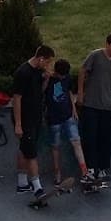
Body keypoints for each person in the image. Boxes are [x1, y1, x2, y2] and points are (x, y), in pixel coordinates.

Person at [77, 34, 111, 189]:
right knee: (90, 137)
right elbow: (82, 71)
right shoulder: (95, 55)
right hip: (91, 104)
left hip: (108, 104)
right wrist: (80, 93)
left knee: (106, 138)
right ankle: (91, 168)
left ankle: (102, 168)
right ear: (107, 44)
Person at [13, 46, 56, 207]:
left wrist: (45, 79)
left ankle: (22, 183)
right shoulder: (23, 73)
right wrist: (18, 124)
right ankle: (37, 187)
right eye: (48, 62)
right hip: (25, 119)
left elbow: (40, 91)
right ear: (41, 59)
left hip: (36, 117)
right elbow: (16, 98)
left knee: (25, 149)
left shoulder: (38, 72)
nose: (48, 65)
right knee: (31, 153)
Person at [45, 59, 89, 192]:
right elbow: (42, 91)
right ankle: (57, 173)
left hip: (68, 115)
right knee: (55, 146)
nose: (63, 77)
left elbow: (70, 93)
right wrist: (47, 78)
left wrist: (74, 110)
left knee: (76, 142)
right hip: (54, 118)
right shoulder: (49, 79)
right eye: (61, 75)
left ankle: (84, 172)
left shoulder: (67, 78)